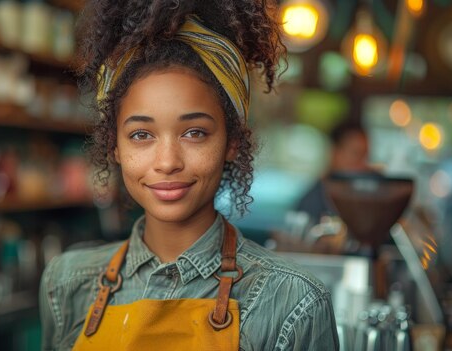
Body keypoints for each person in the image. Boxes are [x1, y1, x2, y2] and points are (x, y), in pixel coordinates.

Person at [39, 1, 339, 350]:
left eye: (194, 132)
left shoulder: (293, 303)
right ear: (115, 147)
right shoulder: (67, 283)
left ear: (232, 141)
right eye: (141, 135)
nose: (167, 162)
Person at [296, 121, 370, 226]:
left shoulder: (364, 200)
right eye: (356, 154)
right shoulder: (311, 201)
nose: (362, 164)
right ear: (335, 152)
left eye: (365, 156)